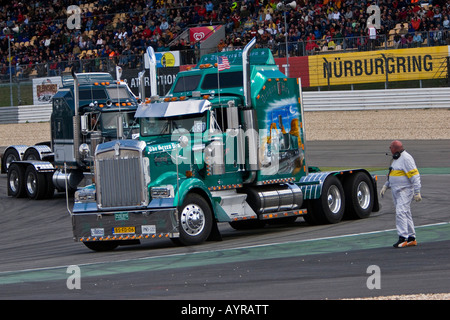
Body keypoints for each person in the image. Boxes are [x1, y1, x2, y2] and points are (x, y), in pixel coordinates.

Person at [380, 140, 422, 248]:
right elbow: (393, 174)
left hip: (405, 190)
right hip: (396, 190)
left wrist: (417, 192)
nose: (390, 149)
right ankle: (412, 238)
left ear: (395, 148)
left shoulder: (406, 158)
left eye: (391, 147)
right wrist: (386, 185)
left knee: (400, 212)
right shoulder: (396, 159)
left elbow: (415, 175)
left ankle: (403, 237)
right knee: (406, 212)